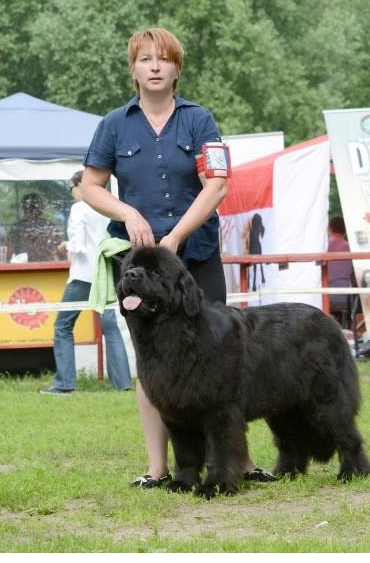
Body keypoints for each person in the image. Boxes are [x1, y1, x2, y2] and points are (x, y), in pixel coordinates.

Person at [81, 27, 275, 487]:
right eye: (145, 59)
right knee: (152, 366)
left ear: (176, 69)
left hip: (197, 257)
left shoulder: (199, 120)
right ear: (133, 68)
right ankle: (157, 469)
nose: (154, 66)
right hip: (139, 271)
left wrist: (176, 237)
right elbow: (89, 186)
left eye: (163, 59)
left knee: (225, 359)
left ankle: (239, 464)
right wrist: (126, 212)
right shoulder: (113, 124)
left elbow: (218, 184)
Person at [40, 171, 131, 395]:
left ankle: (64, 383)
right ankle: (122, 384)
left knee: (62, 325)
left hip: (83, 274)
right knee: (110, 329)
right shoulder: (112, 206)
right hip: (105, 273)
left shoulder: (79, 208)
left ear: (79, 185)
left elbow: (78, 245)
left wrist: (65, 246)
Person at [8, 192, 64, 262]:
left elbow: (8, 253)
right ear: (41, 208)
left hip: (23, 269)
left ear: (23, 208)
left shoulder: (17, 228)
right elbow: (61, 252)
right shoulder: (50, 226)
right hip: (48, 268)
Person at [327, 215, 354, 324]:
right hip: (348, 300)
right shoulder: (351, 248)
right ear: (345, 230)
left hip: (328, 298)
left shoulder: (323, 247)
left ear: (329, 228)